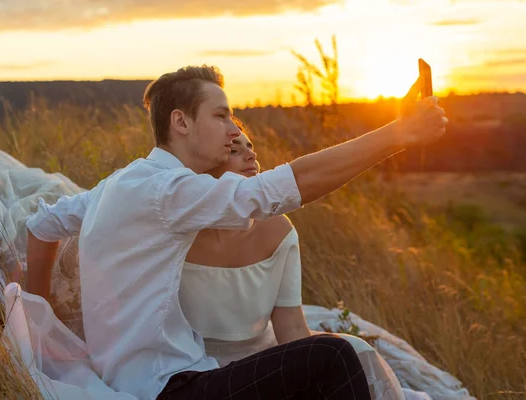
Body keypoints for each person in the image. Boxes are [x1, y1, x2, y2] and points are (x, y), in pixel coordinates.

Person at [26, 65, 447, 399]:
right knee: (333, 356)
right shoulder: (168, 190)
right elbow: (273, 192)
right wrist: (396, 136)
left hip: (158, 381)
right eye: (222, 115)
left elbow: (40, 226)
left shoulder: (120, 183)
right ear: (181, 122)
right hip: (169, 389)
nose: (234, 131)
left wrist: (40, 320)